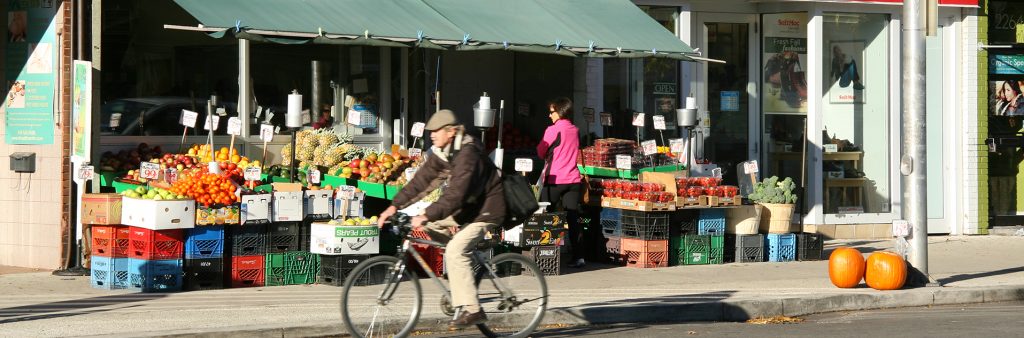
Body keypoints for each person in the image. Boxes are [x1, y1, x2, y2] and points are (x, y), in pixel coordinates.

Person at [377, 109, 505, 328]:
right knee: (430, 229)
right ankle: (460, 274)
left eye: (436, 131)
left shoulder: (468, 154)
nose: (432, 135)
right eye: (431, 132)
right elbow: (422, 181)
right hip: (467, 209)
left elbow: (456, 195)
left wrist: (425, 214)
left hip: (486, 210)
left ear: (451, 131)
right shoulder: (446, 151)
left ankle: (474, 310)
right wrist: (393, 206)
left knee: (455, 250)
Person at [536, 97, 585, 268]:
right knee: (573, 218)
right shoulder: (575, 130)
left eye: (552, 112)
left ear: (560, 111)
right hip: (573, 179)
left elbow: (541, 152)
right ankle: (579, 257)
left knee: (545, 217)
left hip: (555, 180)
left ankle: (545, 255)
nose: (550, 116)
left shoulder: (552, 130)